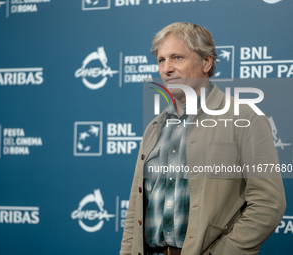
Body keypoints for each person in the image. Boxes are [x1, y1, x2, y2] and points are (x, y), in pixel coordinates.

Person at [120, 22, 286, 255]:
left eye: (177, 58)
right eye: (161, 60)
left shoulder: (246, 117)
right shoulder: (154, 128)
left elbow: (269, 204)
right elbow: (135, 211)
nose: (167, 68)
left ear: (206, 62)